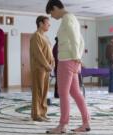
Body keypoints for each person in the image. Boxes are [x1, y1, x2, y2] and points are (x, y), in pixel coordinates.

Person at [46, 0, 90, 133]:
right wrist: (78, 57)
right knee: (75, 93)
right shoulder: (73, 18)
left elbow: (74, 38)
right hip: (73, 61)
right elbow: (81, 40)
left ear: (55, 7)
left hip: (66, 61)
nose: (52, 17)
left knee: (63, 93)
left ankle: (62, 125)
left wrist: (76, 56)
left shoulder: (67, 18)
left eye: (51, 13)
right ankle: (86, 123)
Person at [30, 15, 55, 122]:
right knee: (38, 91)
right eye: (47, 23)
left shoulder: (45, 37)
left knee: (44, 91)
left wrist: (52, 62)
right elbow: (38, 53)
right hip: (39, 68)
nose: (49, 25)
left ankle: (43, 112)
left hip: (46, 68)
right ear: (40, 23)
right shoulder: (36, 36)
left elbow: (50, 52)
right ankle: (36, 114)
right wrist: (47, 65)